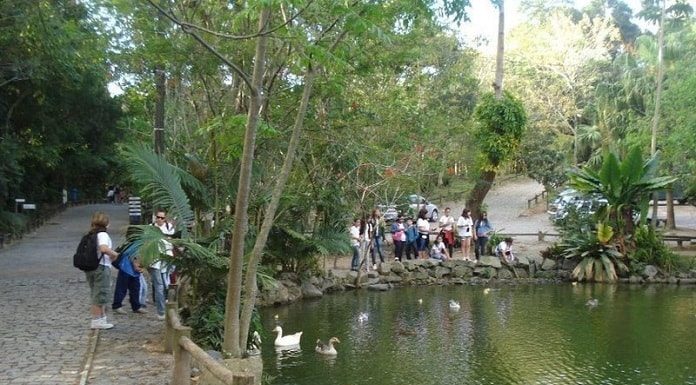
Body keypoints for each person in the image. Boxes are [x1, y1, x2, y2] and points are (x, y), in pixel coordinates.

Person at [85, 211, 120, 329]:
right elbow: (104, 248)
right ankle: (96, 320)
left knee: (96, 292)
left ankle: (102, 317)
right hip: (101, 266)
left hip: (91, 267)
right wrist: (115, 254)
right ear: (107, 224)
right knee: (100, 293)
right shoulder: (103, 235)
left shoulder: (91, 234)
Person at [150, 210, 175, 320]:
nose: (159, 219)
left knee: (166, 284)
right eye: (158, 217)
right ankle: (160, 312)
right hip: (154, 260)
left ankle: (168, 305)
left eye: (162, 217)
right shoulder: (150, 227)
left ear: (165, 219)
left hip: (166, 259)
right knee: (159, 286)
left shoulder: (169, 228)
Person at [112, 240, 147, 314]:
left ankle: (136, 306)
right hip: (126, 268)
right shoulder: (135, 243)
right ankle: (117, 306)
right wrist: (137, 267)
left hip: (132, 271)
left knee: (135, 288)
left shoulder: (137, 242)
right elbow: (133, 256)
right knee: (122, 288)